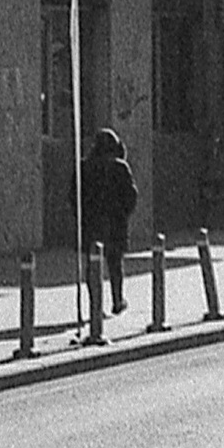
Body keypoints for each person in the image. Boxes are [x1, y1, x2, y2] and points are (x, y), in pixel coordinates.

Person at [79, 126, 138, 312]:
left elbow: (74, 196)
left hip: (91, 222)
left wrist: (83, 215)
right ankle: (117, 300)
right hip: (115, 223)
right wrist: (123, 213)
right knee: (115, 264)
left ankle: (95, 304)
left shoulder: (84, 167)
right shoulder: (120, 167)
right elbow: (131, 195)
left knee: (92, 264)